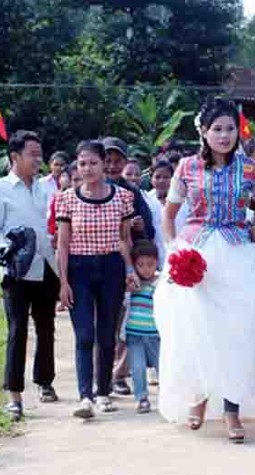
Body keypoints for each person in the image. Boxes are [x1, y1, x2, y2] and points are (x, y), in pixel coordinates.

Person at [154, 98, 255, 443]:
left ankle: (232, 410)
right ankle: (199, 399)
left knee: (238, 335)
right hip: (198, 256)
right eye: (217, 129)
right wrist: (175, 251)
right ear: (203, 131)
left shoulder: (250, 169)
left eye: (230, 128)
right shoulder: (186, 167)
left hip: (238, 254)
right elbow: (169, 216)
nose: (224, 135)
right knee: (197, 330)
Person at [55, 140, 139, 419]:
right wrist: (63, 282)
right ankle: (85, 396)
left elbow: (125, 238)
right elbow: (63, 244)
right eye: (82, 163)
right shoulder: (66, 198)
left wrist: (129, 271)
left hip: (111, 268)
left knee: (106, 334)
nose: (88, 168)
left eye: (93, 162)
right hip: (79, 269)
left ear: (104, 164)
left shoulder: (122, 198)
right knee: (84, 335)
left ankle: (103, 391)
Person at [0, 130, 60, 421]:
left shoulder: (47, 189)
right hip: (15, 271)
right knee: (17, 330)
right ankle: (14, 395)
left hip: (46, 266)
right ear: (15, 156)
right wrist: (10, 251)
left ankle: (45, 381)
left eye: (40, 154)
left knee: (46, 327)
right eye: (32, 154)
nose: (38, 160)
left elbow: (53, 229)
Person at [103, 137, 156, 396]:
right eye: (108, 160)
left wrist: (139, 227)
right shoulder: (88, 191)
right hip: (98, 264)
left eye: (117, 161)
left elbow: (150, 231)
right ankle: (99, 374)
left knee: (126, 323)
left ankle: (119, 375)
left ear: (125, 162)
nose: (112, 166)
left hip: (127, 267)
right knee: (103, 323)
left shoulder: (133, 194)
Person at [124, 240, 161, 413]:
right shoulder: (131, 284)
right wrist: (128, 290)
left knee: (162, 366)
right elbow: (122, 303)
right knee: (137, 368)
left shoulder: (161, 283)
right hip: (134, 335)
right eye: (140, 265)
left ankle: (168, 395)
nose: (146, 269)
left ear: (157, 262)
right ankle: (142, 398)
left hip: (155, 335)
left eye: (150, 264)